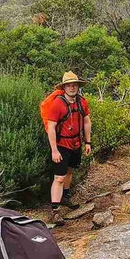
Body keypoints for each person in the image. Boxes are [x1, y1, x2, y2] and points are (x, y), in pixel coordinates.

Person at [39, 72, 92, 223]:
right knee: (59, 178)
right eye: (69, 85)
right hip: (61, 145)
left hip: (76, 143)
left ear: (78, 86)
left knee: (70, 171)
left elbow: (87, 121)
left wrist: (88, 142)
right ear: (64, 87)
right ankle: (55, 211)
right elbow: (51, 127)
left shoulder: (82, 102)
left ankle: (65, 197)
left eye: (74, 84)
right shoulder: (58, 104)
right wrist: (54, 150)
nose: (72, 87)